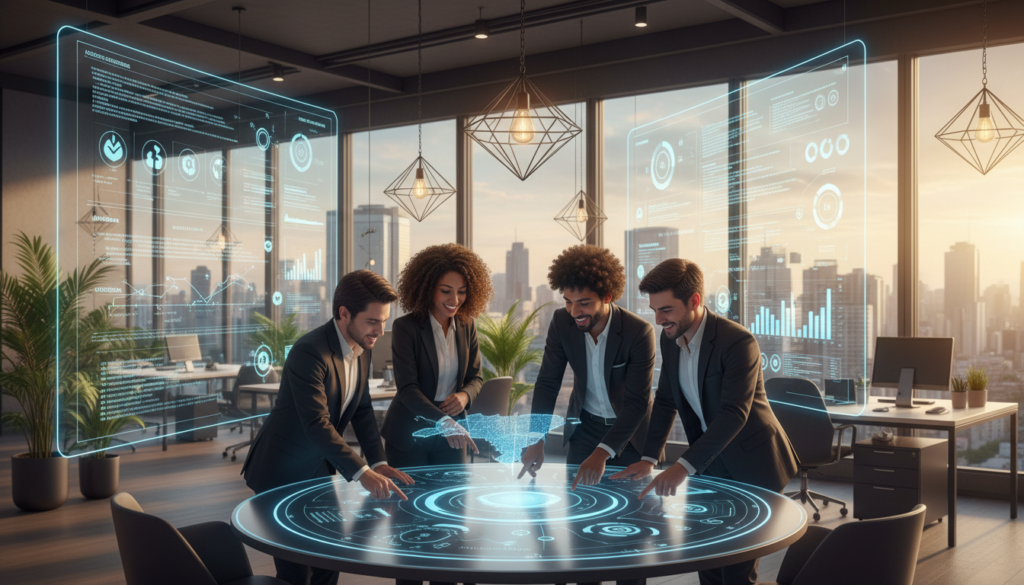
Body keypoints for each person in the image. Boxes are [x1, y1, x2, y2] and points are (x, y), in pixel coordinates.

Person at [610, 259, 799, 585]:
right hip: (709, 461)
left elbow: (733, 414)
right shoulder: (670, 339)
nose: (658, 320)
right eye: (654, 311)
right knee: (707, 557)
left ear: (694, 301)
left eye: (666, 310)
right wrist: (649, 457)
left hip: (752, 463)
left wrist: (681, 467)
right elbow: (665, 400)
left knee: (735, 567)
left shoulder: (737, 342)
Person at [242, 269, 414, 585]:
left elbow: (362, 409)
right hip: (282, 469)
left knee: (330, 558)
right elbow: (316, 423)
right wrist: (363, 472)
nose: (380, 331)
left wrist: (379, 462)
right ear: (344, 313)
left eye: (384, 321)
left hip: (320, 466)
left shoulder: (363, 346)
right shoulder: (310, 351)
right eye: (372, 321)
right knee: (297, 570)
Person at [518, 244, 656, 491]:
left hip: (630, 435)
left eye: (583, 303)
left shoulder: (638, 332)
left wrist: (601, 453)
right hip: (585, 429)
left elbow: (637, 403)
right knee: (579, 503)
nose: (574, 312)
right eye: (568, 302)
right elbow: (548, 383)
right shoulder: (561, 322)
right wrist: (536, 439)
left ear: (607, 297)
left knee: (631, 508)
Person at [381, 243, 493, 469]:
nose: (455, 299)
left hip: (452, 434)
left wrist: (464, 396)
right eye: (446, 290)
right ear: (427, 288)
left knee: (453, 491)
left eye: (461, 291)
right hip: (410, 432)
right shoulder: (405, 327)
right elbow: (408, 389)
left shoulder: (467, 325)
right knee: (411, 492)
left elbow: (475, 377)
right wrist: (443, 420)